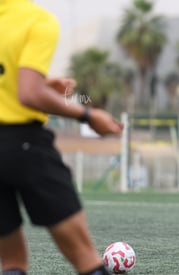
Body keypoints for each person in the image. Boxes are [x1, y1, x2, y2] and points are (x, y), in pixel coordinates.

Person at [0, 1, 123, 274]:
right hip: (24, 146)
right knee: (85, 258)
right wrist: (89, 116)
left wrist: (43, 84)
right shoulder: (36, 20)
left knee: (11, 263)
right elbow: (28, 94)